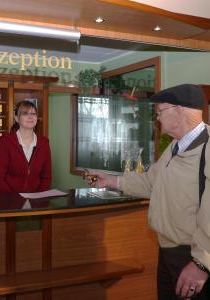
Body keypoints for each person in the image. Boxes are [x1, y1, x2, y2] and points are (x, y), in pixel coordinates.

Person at [85, 84, 210, 300]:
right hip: (169, 250)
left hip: (192, 258)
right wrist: (112, 180)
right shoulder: (175, 146)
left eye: (160, 111)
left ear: (179, 110)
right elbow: (152, 182)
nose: (158, 118)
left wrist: (201, 263)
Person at [0, 100, 51, 192]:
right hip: (10, 201)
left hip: (36, 202)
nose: (30, 117)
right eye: (25, 113)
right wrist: (13, 199)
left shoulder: (44, 143)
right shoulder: (5, 141)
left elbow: (46, 177)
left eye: (33, 114)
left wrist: (39, 198)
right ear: (16, 118)